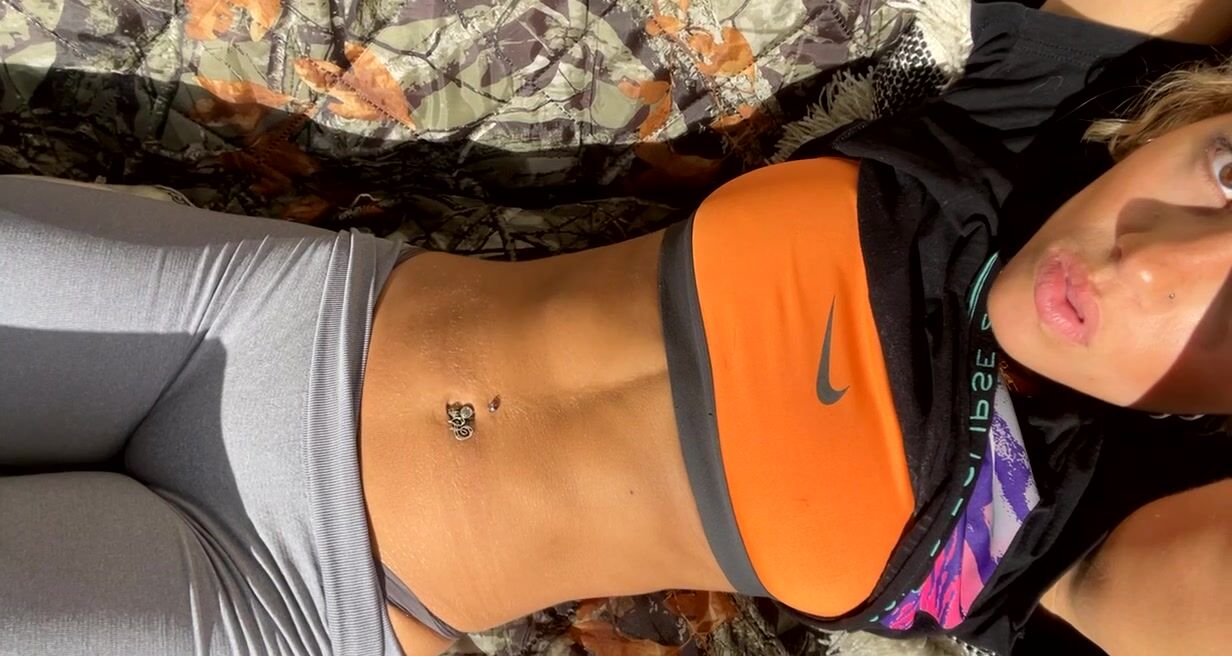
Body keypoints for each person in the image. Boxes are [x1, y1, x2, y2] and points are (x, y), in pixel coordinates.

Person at [0, 1, 1229, 655]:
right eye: (1224, 172)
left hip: (289, 593)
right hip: (249, 316)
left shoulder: (1080, 520)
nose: (1148, 262)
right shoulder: (1027, 139)